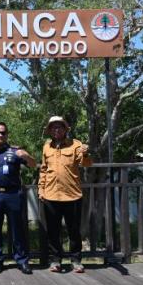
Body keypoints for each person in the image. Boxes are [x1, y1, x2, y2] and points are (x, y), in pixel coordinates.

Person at [0, 122, 36, 274]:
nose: (0, 135)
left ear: (7, 134)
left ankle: (22, 261)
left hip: (13, 194)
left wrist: (26, 155)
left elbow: (33, 164)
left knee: (18, 229)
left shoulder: (16, 151)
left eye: (3, 132)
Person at [38, 116, 93, 273]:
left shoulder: (76, 145)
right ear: (50, 131)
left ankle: (76, 260)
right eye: (53, 127)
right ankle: (55, 260)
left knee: (74, 231)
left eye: (59, 127)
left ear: (65, 129)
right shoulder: (46, 147)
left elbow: (86, 164)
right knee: (53, 231)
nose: (56, 130)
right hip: (50, 195)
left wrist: (87, 154)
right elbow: (43, 170)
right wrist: (41, 189)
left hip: (72, 195)